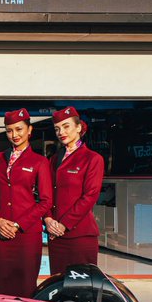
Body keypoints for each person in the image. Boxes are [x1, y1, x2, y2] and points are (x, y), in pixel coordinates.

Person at [0, 108, 53, 297]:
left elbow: (45, 201)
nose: (14, 135)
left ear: (29, 130)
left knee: (26, 284)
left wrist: (17, 224)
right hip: (0, 234)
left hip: (26, 235)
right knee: (3, 284)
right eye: (9, 130)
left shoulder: (40, 162)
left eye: (19, 129)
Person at [45, 106, 105, 275]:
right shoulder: (54, 159)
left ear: (78, 128)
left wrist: (64, 224)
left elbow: (90, 196)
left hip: (80, 236)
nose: (61, 132)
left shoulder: (92, 159)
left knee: (83, 289)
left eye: (66, 126)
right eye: (57, 128)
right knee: (58, 285)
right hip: (55, 235)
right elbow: (47, 193)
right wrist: (48, 219)